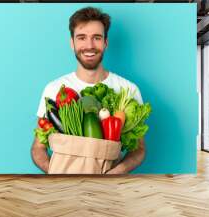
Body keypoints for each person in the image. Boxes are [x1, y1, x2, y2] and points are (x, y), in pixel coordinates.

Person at [31, 6, 145, 174]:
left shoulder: (128, 90)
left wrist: (116, 173)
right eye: (82, 38)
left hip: (110, 188)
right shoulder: (53, 89)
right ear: (72, 43)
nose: (89, 45)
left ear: (105, 43)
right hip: (64, 186)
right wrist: (55, 172)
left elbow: (139, 149)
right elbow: (37, 148)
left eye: (97, 38)